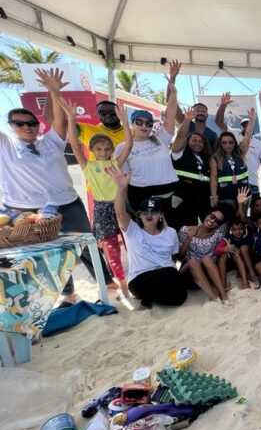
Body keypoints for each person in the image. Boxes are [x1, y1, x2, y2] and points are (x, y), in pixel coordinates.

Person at [3, 68, 116, 302]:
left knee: (86, 244)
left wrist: (53, 91)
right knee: (49, 253)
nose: (27, 127)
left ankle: (106, 282)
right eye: (20, 123)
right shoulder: (6, 146)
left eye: (31, 123)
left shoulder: (50, 142)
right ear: (11, 125)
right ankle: (67, 292)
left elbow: (58, 120)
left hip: (67, 202)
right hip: (27, 211)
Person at [61, 97, 133, 298]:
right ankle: (122, 283)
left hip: (122, 206)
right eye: (99, 149)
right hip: (102, 209)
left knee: (131, 243)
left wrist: (125, 123)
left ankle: (134, 275)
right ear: (92, 150)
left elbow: (128, 145)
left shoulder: (116, 163)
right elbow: (74, 146)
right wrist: (71, 117)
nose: (104, 152)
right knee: (111, 249)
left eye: (107, 149)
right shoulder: (88, 166)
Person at [105, 167, 187, 310]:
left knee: (180, 297)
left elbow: (173, 259)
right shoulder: (133, 231)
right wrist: (121, 187)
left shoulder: (171, 232)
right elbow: (119, 213)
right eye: (145, 212)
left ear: (161, 215)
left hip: (166, 277)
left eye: (154, 212)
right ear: (139, 215)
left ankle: (154, 296)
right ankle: (144, 304)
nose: (149, 216)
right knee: (167, 271)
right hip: (140, 279)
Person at [115, 76, 180, 226]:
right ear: (132, 124)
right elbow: (123, 178)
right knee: (147, 232)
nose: (144, 126)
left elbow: (170, 117)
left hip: (169, 192)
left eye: (148, 123)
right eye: (139, 122)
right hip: (140, 194)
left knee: (171, 229)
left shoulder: (160, 139)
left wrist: (174, 94)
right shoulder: (123, 147)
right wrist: (122, 205)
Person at [215, 91, 261, 196]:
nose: (247, 127)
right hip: (233, 183)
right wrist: (223, 105)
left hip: (253, 183)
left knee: (255, 211)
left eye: (249, 124)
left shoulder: (259, 144)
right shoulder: (233, 134)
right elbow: (218, 121)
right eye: (244, 125)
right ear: (240, 127)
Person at [178, 206, 232, 303]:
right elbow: (179, 257)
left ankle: (223, 296)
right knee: (193, 262)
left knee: (207, 259)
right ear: (207, 214)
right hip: (188, 273)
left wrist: (241, 205)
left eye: (217, 221)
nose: (212, 221)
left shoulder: (218, 234)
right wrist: (188, 240)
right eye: (212, 216)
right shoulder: (186, 230)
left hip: (208, 274)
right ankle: (214, 298)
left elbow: (237, 219)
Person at [171, 108, 213, 227]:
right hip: (183, 200)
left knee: (206, 229)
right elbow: (180, 137)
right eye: (194, 140)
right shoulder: (179, 153)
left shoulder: (205, 158)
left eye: (201, 141)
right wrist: (187, 120)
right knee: (185, 230)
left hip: (202, 200)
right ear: (188, 141)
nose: (197, 143)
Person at [209, 108, 256, 210]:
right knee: (228, 223)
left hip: (244, 194)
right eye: (224, 143)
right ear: (220, 144)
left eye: (231, 142)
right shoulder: (215, 158)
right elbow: (214, 177)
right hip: (225, 196)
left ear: (235, 143)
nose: (228, 145)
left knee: (241, 222)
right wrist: (213, 196)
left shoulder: (240, 153)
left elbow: (247, 136)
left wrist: (252, 120)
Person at [215, 212, 258, 291]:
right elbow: (217, 250)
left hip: (249, 260)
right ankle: (224, 284)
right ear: (230, 229)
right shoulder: (228, 238)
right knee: (227, 254)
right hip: (234, 262)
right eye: (234, 229)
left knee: (243, 248)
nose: (238, 232)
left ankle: (247, 280)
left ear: (244, 228)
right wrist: (225, 248)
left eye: (240, 229)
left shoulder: (248, 235)